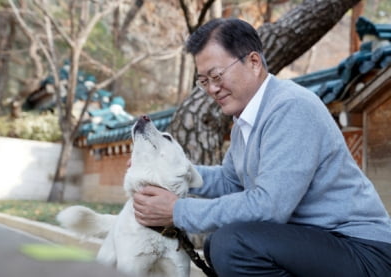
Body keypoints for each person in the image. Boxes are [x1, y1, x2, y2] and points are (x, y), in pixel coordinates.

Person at [133, 18, 391, 276]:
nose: (212, 89)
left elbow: (269, 207)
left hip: (363, 249)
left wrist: (177, 211)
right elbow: (229, 181)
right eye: (204, 81)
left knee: (232, 246)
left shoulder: (291, 107)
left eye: (216, 76)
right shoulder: (246, 120)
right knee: (218, 243)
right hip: (320, 243)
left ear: (253, 62)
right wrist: (167, 171)